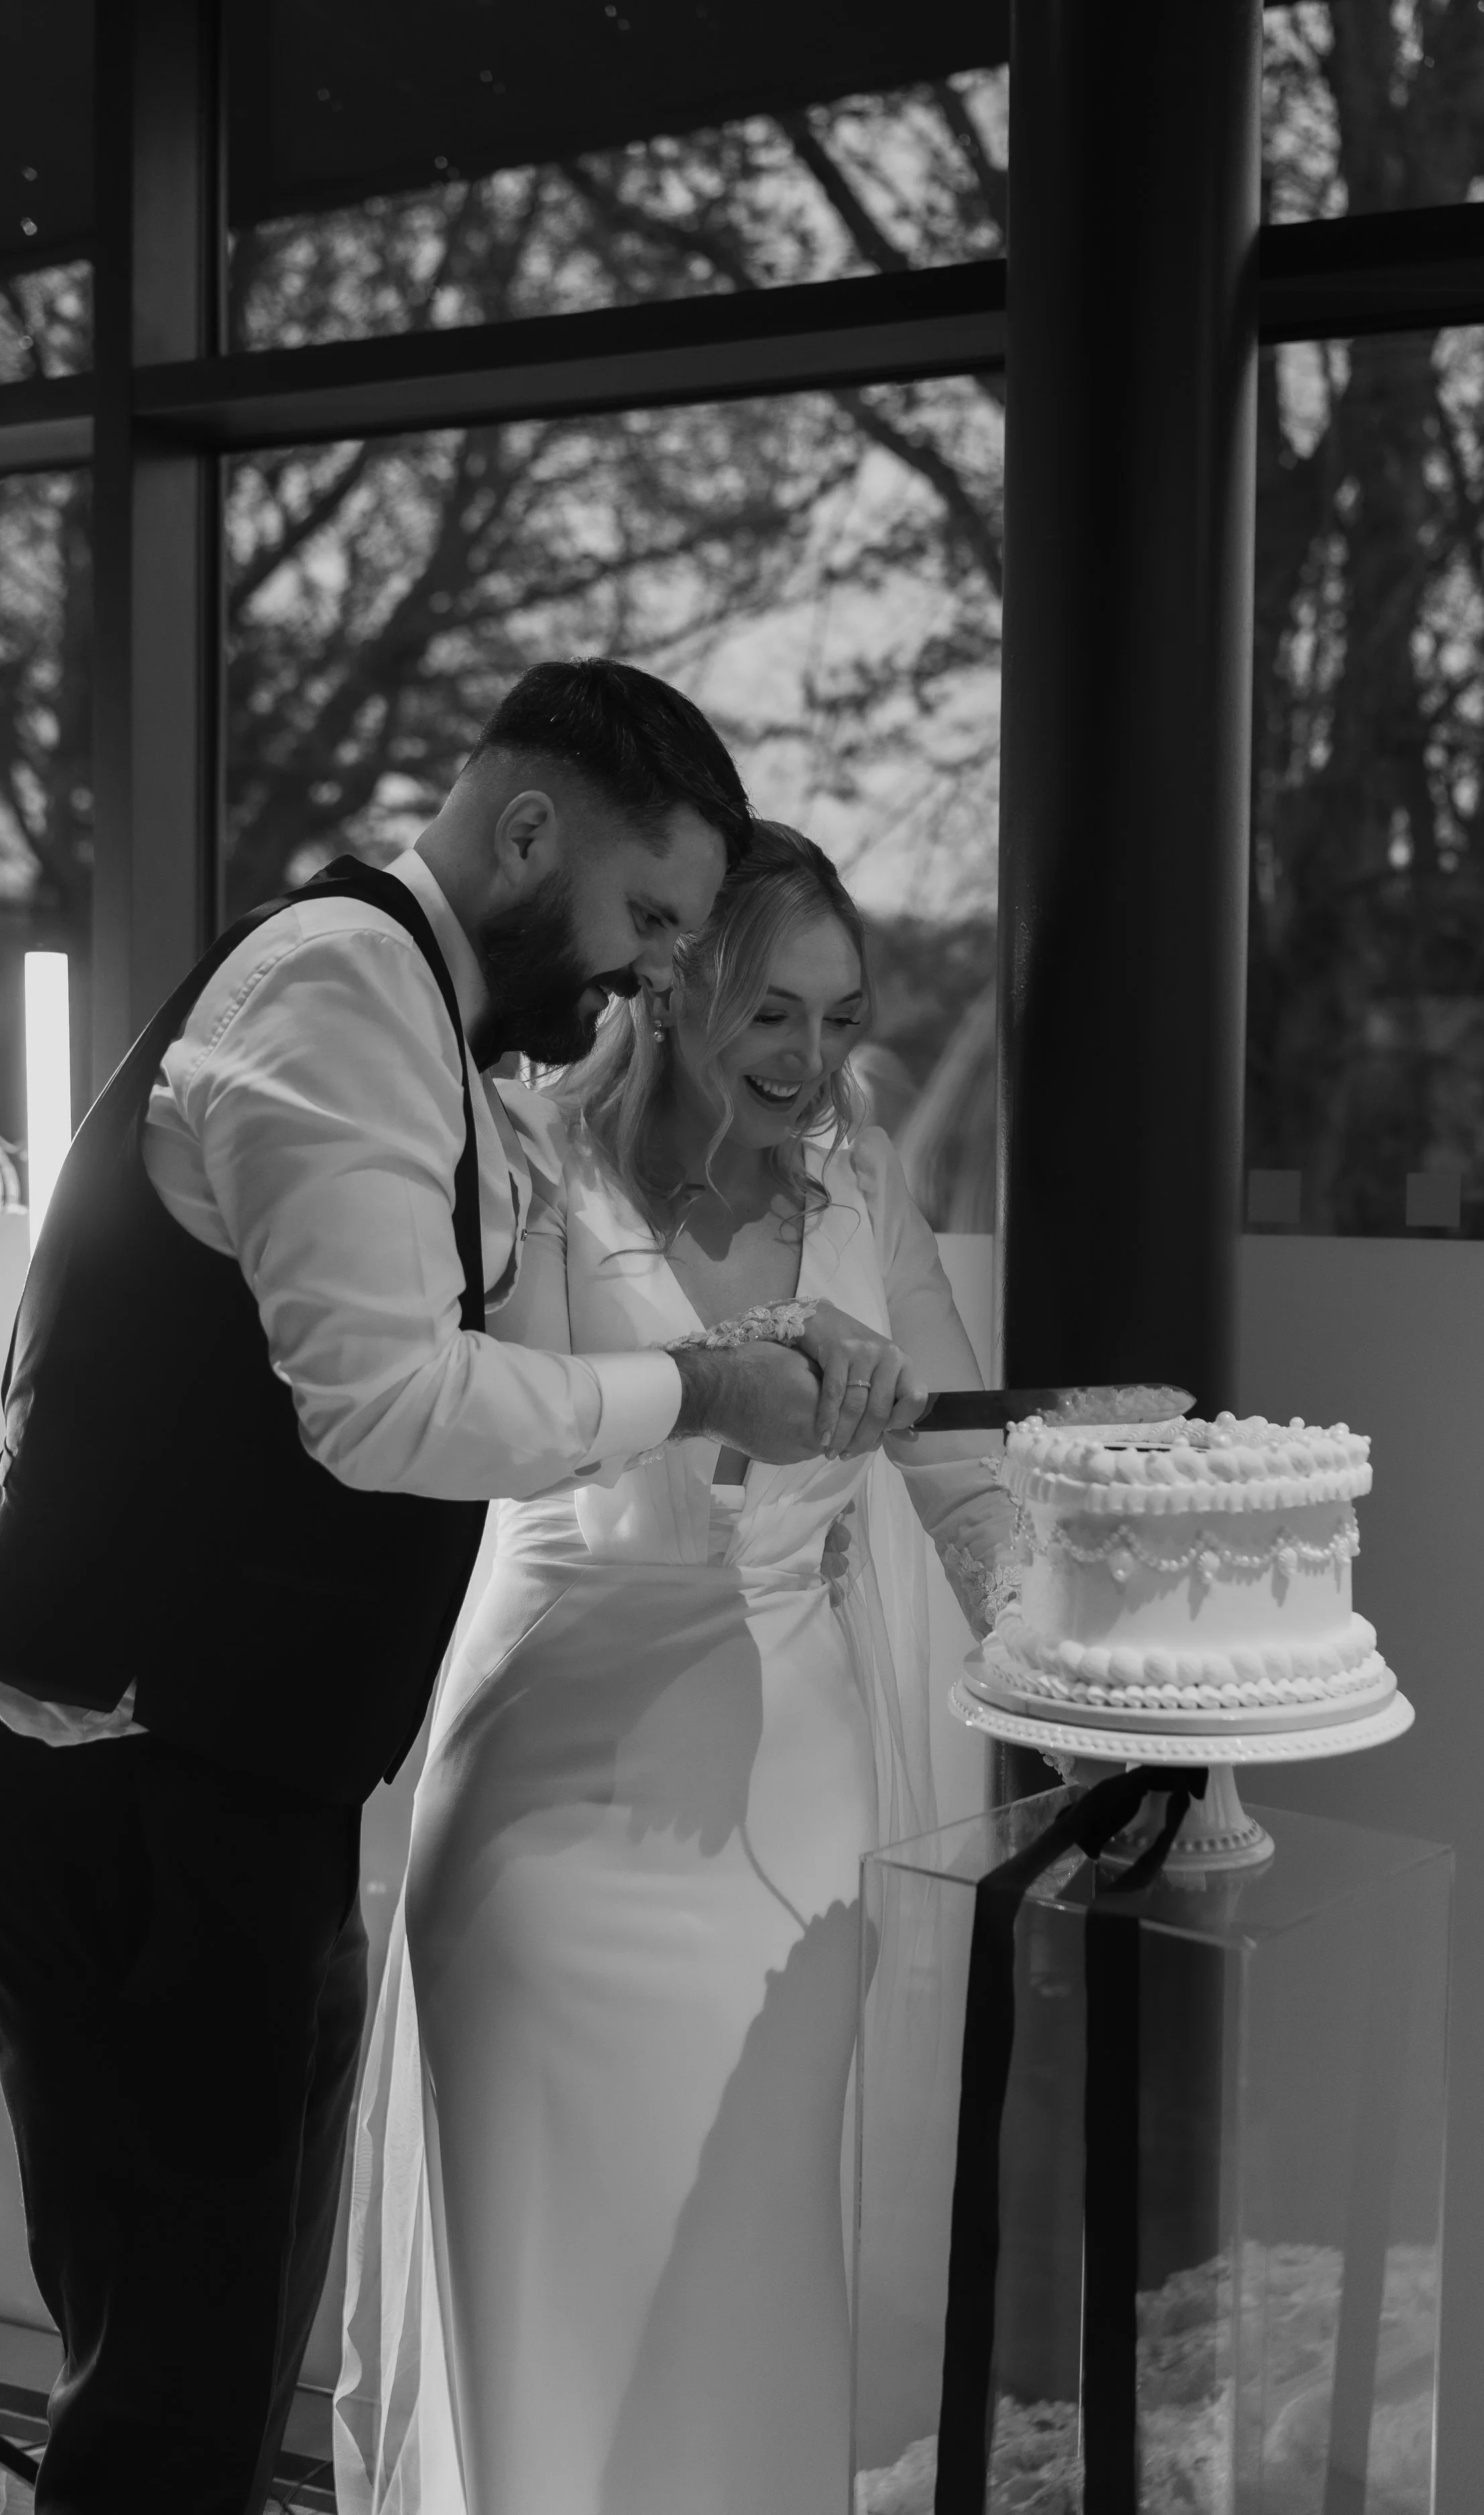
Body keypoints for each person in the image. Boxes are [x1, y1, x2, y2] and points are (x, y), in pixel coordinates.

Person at [0, 664, 897, 2515]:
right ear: (522, 831)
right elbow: (384, 1400)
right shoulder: (336, 991)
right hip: (140, 1774)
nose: (654, 969)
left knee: (217, 2347)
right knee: (173, 2379)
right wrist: (702, 1385)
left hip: (233, 1774)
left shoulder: (418, 1028)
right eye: (647, 915)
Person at [335, 822, 1022, 2515]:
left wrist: (1054, 1653)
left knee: (745, 2277)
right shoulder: (528, 1164)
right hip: (546, 1803)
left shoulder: (860, 1175)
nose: (815, 1061)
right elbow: (477, 1429)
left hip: (789, 1819)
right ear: (675, 992)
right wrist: (725, 1372)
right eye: (771, 1015)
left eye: (844, 1018)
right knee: (539, 2296)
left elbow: (959, 1464)